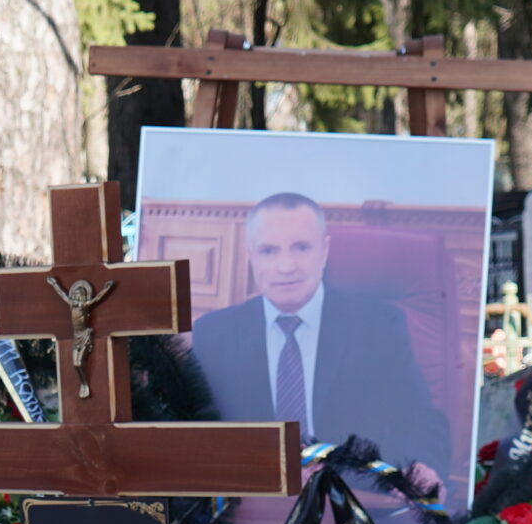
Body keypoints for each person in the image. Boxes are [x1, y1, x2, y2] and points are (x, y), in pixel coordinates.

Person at [182, 191, 452, 492]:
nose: (286, 266)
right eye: (268, 251)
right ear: (251, 257)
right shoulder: (214, 334)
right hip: (254, 499)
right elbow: (195, 432)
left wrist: (423, 465)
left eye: (301, 247)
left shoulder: (378, 326)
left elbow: (421, 418)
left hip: (354, 500)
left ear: (324, 251)